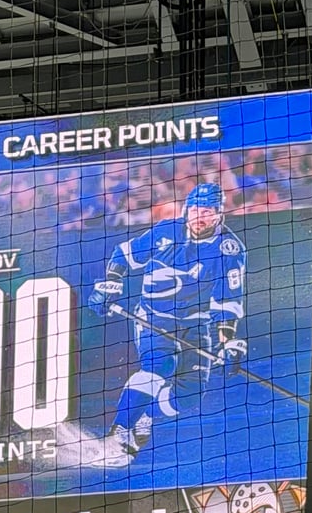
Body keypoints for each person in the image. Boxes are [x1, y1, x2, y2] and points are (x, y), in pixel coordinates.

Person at [86, 182, 247, 461]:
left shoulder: (229, 250)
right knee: (160, 366)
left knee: (189, 395)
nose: (199, 217)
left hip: (195, 326)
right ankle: (117, 433)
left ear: (219, 215)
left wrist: (227, 342)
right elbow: (124, 254)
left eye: (207, 212)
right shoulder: (165, 231)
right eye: (195, 210)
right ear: (186, 210)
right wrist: (111, 283)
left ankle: (144, 413)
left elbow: (227, 301)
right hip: (153, 318)